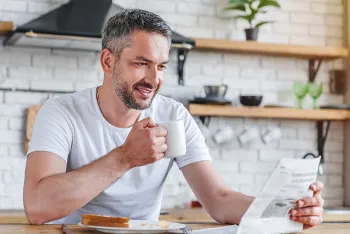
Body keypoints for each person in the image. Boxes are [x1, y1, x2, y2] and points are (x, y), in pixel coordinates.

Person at [24, 9, 324, 229]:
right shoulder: (61, 113)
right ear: (107, 61)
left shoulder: (173, 116)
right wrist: (125, 157)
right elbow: (37, 207)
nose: (154, 79)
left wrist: (284, 209)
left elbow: (218, 199)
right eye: (142, 63)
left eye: (162, 66)